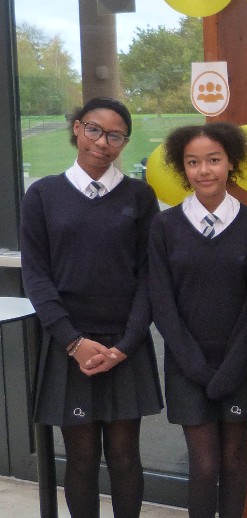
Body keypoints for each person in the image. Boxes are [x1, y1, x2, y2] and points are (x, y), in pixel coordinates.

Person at [20, 97, 162, 518]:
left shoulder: (140, 196)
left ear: (124, 142)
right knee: (80, 458)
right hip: (70, 345)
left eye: (115, 135)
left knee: (124, 456)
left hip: (125, 345)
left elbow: (149, 276)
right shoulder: (42, 195)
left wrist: (126, 344)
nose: (103, 142)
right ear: (78, 129)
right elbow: (37, 277)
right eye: (95, 129)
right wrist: (72, 341)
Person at [148, 122, 247, 517]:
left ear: (231, 162)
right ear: (183, 169)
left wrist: (231, 368)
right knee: (204, 464)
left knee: (234, 460)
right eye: (193, 162)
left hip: (241, 364)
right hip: (187, 365)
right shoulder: (164, 227)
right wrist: (196, 367)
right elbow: (162, 303)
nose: (205, 170)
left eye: (213, 160)